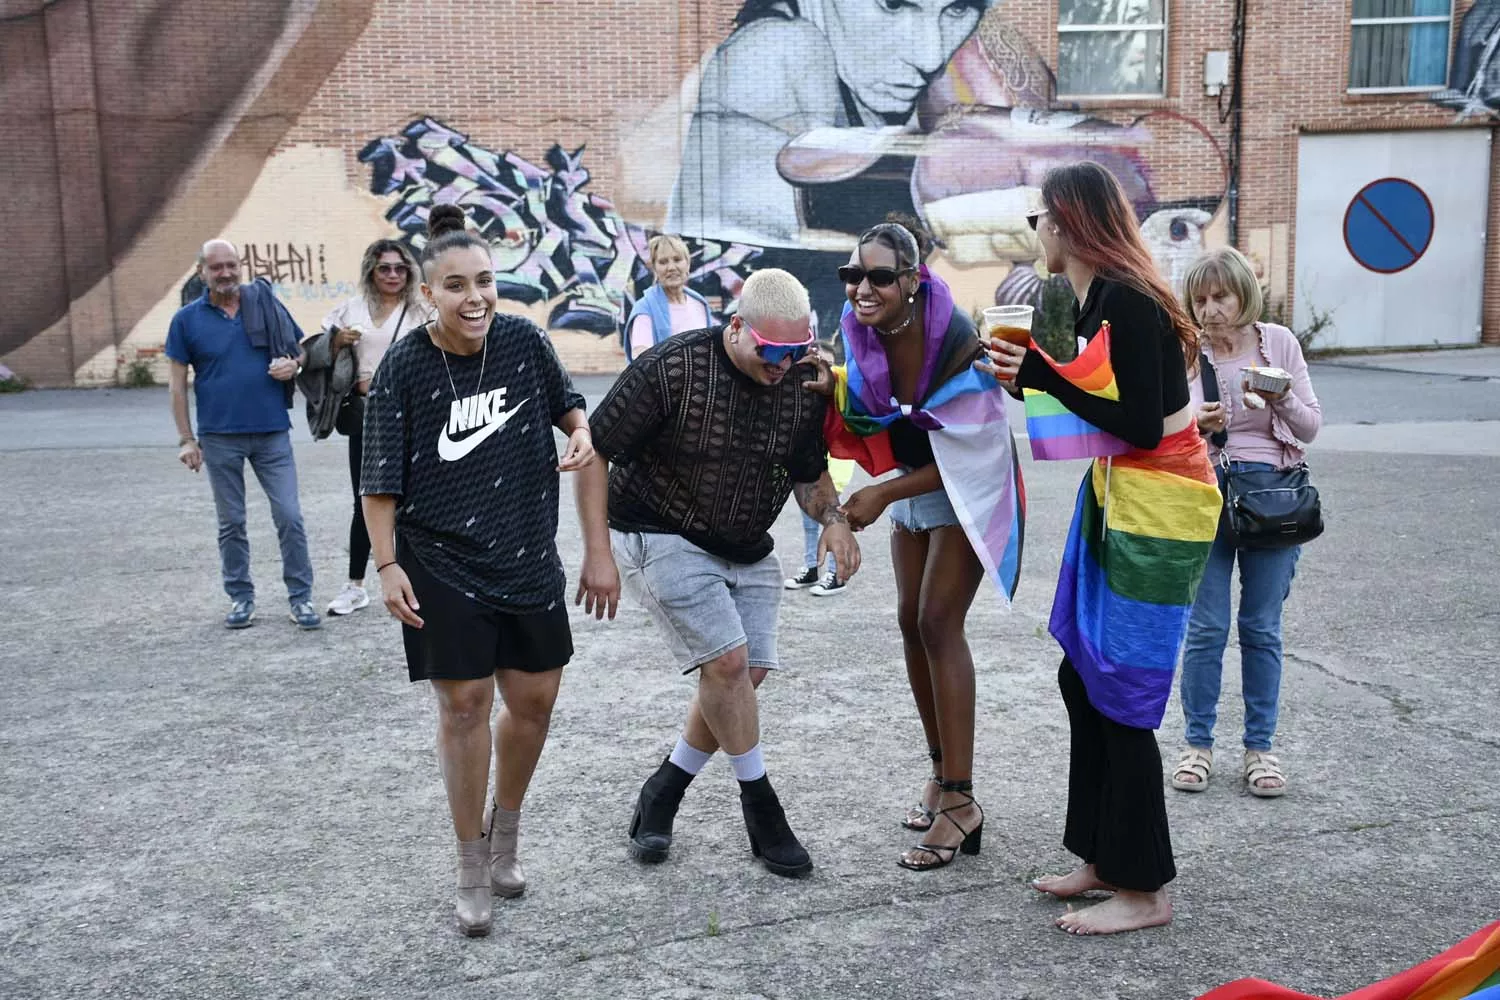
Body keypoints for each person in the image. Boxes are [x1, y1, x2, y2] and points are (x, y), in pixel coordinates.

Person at [359, 204, 619, 937]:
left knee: (533, 706)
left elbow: (573, 409)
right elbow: (378, 483)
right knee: (465, 704)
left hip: (527, 552)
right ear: (426, 295)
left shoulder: (524, 342)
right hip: (439, 558)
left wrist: (579, 435)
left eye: (484, 282)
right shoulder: (406, 370)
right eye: (455, 286)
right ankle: (470, 862)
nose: (474, 297)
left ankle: (506, 832)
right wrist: (386, 566)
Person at [981, 162, 1222, 935]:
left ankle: (1145, 889)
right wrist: (1028, 376)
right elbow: (1084, 405)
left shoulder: (1130, 299)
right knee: (1082, 674)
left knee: (1117, 692)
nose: (1034, 233)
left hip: (1161, 504)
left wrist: (1041, 371)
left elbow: (1143, 423)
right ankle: (1100, 855)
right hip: (1121, 494)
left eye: (1038, 219)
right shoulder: (1086, 296)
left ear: (1069, 222)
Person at [590, 268, 860, 878]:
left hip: (744, 541)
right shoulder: (672, 368)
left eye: (796, 352)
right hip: (657, 530)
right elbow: (594, 446)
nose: (783, 365)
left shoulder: (797, 383)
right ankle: (762, 809)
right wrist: (596, 552)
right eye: (772, 351)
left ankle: (664, 789)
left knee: (745, 673)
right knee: (729, 665)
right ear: (737, 327)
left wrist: (835, 519)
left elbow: (807, 472)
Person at [820, 221, 1024, 872]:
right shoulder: (861, 332)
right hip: (912, 480)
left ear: (912, 280)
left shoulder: (956, 340)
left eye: (880, 276)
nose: (863, 288)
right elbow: (866, 416)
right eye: (854, 276)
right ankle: (941, 774)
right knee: (910, 622)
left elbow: (979, 448)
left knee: (939, 621)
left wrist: (881, 494)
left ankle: (962, 803)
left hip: (966, 483)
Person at [1172, 247, 1322, 799]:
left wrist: (1276, 399)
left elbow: (1309, 428)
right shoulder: (1187, 351)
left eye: (1221, 296)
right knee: (1206, 628)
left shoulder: (1277, 342)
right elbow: (1162, 430)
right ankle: (1198, 744)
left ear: (1243, 295)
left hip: (1272, 500)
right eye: (1201, 299)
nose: (1210, 309)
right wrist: (1195, 424)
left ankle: (1260, 749)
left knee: (1261, 628)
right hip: (1206, 495)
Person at [166, 239, 320, 631]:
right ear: (202, 272)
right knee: (231, 522)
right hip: (218, 436)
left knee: (290, 516)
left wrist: (293, 367)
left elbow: (300, 351)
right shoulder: (186, 320)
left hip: (271, 432)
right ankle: (240, 597)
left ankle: (301, 598)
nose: (226, 273)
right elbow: (177, 385)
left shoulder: (264, 302)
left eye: (231, 265)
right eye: (216, 267)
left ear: (241, 266)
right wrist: (186, 439)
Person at [308, 239, 431, 616]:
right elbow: (311, 353)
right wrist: (336, 343)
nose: (393, 274)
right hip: (367, 416)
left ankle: (421, 579)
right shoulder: (352, 308)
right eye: (384, 268)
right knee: (367, 499)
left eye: (400, 268)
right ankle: (355, 585)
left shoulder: (421, 310)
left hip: (417, 416)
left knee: (422, 500)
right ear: (371, 271)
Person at [783, 339, 856, 597]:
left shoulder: (837, 395)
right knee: (808, 520)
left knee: (833, 517)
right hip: (811, 465)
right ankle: (812, 566)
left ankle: (836, 574)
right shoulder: (802, 393)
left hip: (835, 466)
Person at [623, 234, 713, 362]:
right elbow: (640, 357)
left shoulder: (699, 304)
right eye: (663, 262)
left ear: (687, 264)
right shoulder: (645, 307)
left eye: (677, 260)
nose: (671, 267)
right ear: (654, 268)